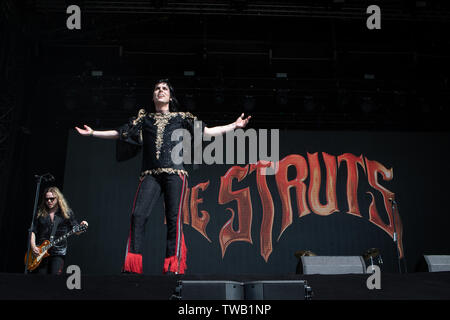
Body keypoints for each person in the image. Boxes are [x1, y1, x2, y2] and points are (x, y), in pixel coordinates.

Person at [75, 79, 251, 275]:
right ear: (153, 96)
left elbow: (208, 132)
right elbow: (120, 133)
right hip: (150, 174)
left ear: (170, 96)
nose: (160, 91)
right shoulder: (144, 119)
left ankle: (173, 267)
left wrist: (234, 126)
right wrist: (93, 133)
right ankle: (132, 267)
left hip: (175, 174)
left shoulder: (181, 117)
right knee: (138, 215)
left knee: (174, 219)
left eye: (164, 88)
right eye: (157, 88)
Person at [30, 186, 88, 275]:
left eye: (52, 199)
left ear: (58, 199)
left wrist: (81, 227)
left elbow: (76, 231)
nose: (49, 201)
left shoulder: (66, 213)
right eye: (47, 199)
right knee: (40, 280)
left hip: (58, 252)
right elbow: (33, 230)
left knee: (54, 280)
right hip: (41, 252)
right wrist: (33, 246)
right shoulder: (40, 212)